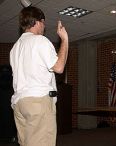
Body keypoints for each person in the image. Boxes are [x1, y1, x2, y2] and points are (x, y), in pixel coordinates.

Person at [10, 6, 68, 146]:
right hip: (38, 103)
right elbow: (59, 67)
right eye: (44, 22)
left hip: (19, 104)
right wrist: (65, 40)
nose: (44, 26)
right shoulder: (40, 41)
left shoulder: (15, 48)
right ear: (38, 21)